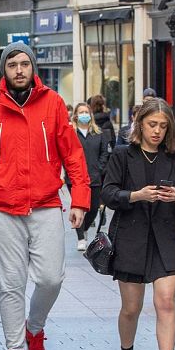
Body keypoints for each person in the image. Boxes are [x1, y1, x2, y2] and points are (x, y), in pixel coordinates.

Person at [0, 43, 90, 350]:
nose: (18, 70)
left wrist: (80, 199)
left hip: (45, 203)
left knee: (51, 278)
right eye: (12, 64)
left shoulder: (54, 104)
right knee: (11, 286)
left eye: (24, 64)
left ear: (33, 68)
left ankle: (35, 328)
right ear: (4, 69)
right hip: (2, 208)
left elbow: (73, 154)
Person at [102, 99, 175, 350]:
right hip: (131, 238)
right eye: (152, 124)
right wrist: (137, 195)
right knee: (131, 308)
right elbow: (108, 194)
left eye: (163, 126)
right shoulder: (123, 155)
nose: (157, 131)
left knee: (165, 303)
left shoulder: (173, 158)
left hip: (166, 238)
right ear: (139, 123)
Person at [71, 102, 110, 252]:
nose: (84, 115)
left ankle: (84, 227)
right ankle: (81, 237)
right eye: (81, 112)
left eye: (86, 112)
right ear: (75, 115)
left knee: (93, 208)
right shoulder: (71, 133)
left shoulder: (99, 134)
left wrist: (99, 168)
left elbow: (104, 154)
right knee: (78, 206)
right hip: (75, 177)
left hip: (94, 175)